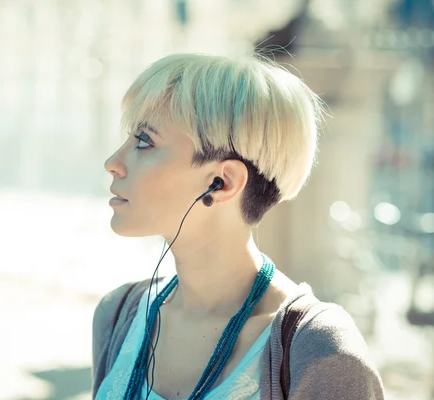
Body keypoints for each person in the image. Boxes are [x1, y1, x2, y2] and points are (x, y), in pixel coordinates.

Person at [91, 52, 385, 399]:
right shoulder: (119, 314)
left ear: (223, 181)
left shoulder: (320, 351)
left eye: (144, 141)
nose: (113, 163)